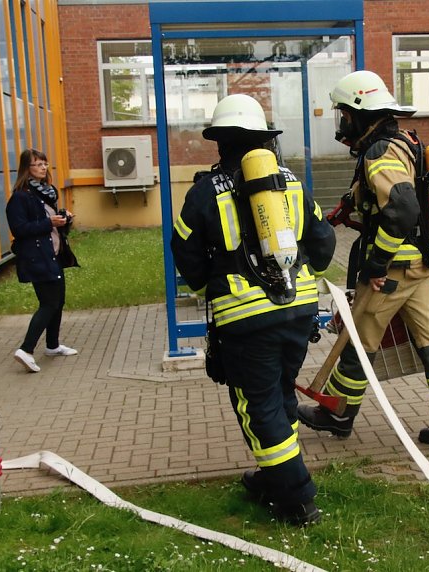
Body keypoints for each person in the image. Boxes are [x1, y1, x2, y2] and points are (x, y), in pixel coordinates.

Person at [170, 94, 336, 525]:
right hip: (299, 309)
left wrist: (214, 282)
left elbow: (186, 256)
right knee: (280, 394)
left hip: (245, 319)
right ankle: (272, 478)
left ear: (221, 143)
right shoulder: (291, 183)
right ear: (264, 141)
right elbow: (322, 246)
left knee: (257, 407)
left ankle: (297, 499)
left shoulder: (203, 192)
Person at [297, 70, 429, 450]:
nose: (342, 122)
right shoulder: (402, 141)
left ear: (360, 113)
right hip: (419, 264)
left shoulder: (380, 150)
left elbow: (402, 206)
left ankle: (338, 413)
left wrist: (376, 264)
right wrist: (348, 207)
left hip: (392, 270)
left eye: (344, 114)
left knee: (359, 339)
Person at [6, 149, 79, 373]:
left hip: (53, 254)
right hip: (37, 258)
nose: (43, 167)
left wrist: (63, 219)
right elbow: (19, 229)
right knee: (49, 303)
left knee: (58, 301)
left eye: (45, 163)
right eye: (37, 164)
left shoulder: (48, 192)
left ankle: (53, 345)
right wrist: (50, 223)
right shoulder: (20, 197)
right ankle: (26, 350)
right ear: (26, 169)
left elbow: (51, 223)